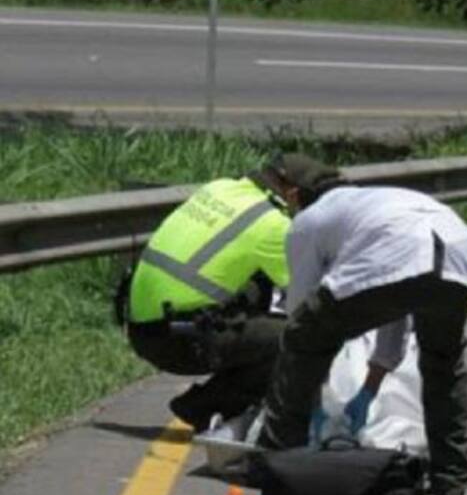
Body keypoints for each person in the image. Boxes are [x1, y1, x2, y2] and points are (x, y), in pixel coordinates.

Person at [255, 184, 467, 495]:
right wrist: (369, 389)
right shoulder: (366, 206)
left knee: (303, 335)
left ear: (296, 199)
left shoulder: (307, 222)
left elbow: (300, 317)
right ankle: (451, 483)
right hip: (461, 256)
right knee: (443, 363)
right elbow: (394, 310)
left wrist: (313, 396)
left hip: (405, 248)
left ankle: (277, 461)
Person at [120, 153, 339, 431]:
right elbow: (312, 295)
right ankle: (205, 406)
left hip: (141, 326)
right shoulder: (272, 225)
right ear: (294, 194)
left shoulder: (220, 188)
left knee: (257, 297)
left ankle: (223, 397)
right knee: (298, 336)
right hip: (176, 342)